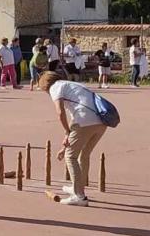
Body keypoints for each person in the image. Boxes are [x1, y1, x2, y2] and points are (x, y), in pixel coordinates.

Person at [37, 71, 107, 206]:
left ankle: (79, 196)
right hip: (101, 121)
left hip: (84, 121)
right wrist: (67, 135)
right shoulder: (72, 84)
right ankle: (79, 187)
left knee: (70, 157)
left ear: (45, 85)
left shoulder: (55, 88)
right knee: (84, 155)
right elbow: (75, 114)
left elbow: (60, 112)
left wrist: (67, 131)